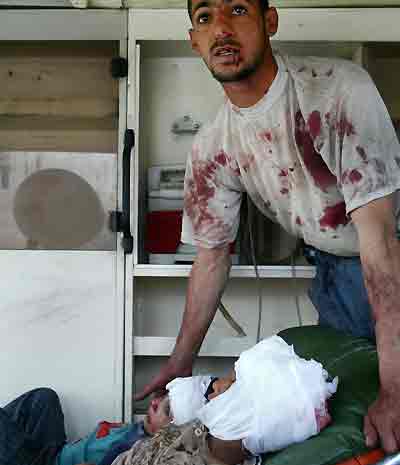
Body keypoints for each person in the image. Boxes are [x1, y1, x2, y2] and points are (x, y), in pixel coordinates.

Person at [136, 0, 400, 455]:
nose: (220, 28)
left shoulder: (337, 92)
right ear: (194, 41)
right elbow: (211, 256)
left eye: (237, 9)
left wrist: (394, 389)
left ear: (269, 21)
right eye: (204, 17)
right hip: (334, 267)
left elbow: (379, 240)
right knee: (351, 417)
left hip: (388, 253)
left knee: (391, 410)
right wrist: (180, 362)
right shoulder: (211, 147)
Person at [166, 335, 337, 461]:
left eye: (211, 385)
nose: (214, 390)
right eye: (211, 402)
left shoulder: (249, 363)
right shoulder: (234, 425)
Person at [0, 387, 172, 465]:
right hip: (54, 452)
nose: (154, 403)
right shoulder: (138, 429)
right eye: (161, 397)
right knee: (44, 397)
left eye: (166, 409)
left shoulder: (142, 450)